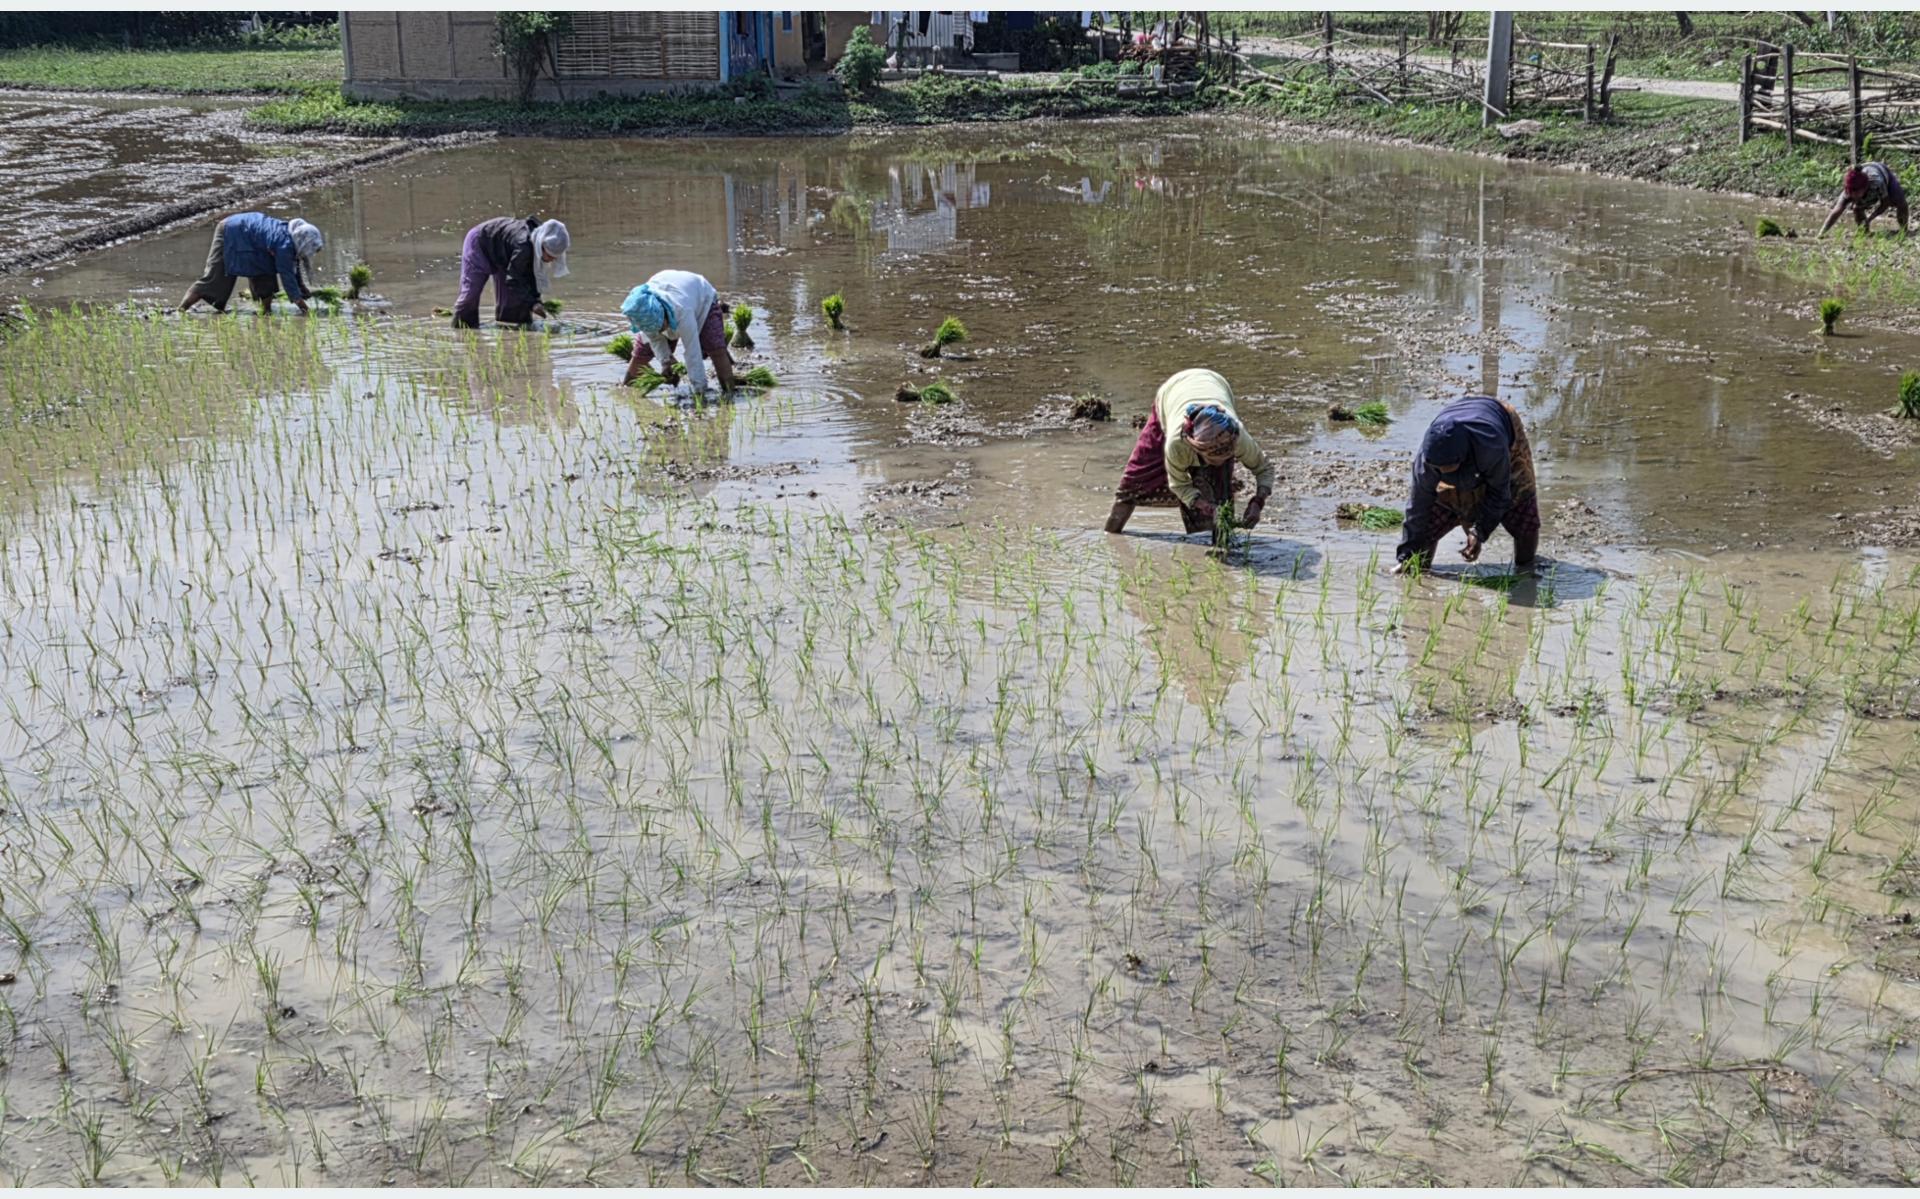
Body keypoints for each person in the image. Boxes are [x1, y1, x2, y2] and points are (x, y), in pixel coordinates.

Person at [1104, 368, 1275, 537]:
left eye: (1226, 457)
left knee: (1219, 496)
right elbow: (1178, 484)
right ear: (1196, 448)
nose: (1221, 462)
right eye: (1214, 458)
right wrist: (1201, 504)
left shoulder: (1236, 436)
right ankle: (1110, 536)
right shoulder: (1176, 444)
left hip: (1215, 383)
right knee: (1132, 485)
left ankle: (1217, 548)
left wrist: (1257, 502)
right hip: (1171, 393)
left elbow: (1264, 468)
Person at [1393, 395, 1539, 574]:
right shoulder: (1426, 461)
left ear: (1462, 456)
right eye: (1439, 469)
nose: (1443, 472)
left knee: (1521, 498)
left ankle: (1526, 569)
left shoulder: (1491, 447)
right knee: (1435, 511)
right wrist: (1406, 555)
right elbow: (1417, 506)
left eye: (1448, 466)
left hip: (1503, 424)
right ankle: (1420, 567)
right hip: (1464, 424)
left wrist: (1479, 532)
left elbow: (1499, 493)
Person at [619, 269, 738, 396]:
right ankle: (626, 388)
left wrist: (700, 392)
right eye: (654, 329)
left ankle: (729, 391)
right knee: (642, 352)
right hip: (668, 286)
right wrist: (666, 361)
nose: (660, 332)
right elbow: (655, 339)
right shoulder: (643, 313)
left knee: (715, 348)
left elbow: (693, 353)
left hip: (702, 298)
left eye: (660, 327)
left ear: (664, 314)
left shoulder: (682, 311)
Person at [178, 212, 323, 315]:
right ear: (303, 241)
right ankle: (181, 310)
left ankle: (266, 313)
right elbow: (287, 276)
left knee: (265, 274)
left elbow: (294, 266)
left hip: (252, 240)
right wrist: (305, 309)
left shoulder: (292, 237)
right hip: (231, 231)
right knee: (215, 278)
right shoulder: (284, 245)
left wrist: (302, 287)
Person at [452, 216, 570, 329]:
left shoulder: (537, 241)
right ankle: (460, 334)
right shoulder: (523, 246)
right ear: (541, 245)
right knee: (470, 296)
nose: (552, 260)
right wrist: (532, 304)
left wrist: (536, 300)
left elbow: (530, 277)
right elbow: (514, 280)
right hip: (481, 243)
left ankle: (508, 336)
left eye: (555, 257)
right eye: (549, 255)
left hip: (505, 254)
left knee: (513, 305)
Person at [1819, 163, 1909, 237]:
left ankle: (1904, 230)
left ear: (1865, 188)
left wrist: (1870, 218)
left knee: (1901, 203)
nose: (1854, 196)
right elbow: (1836, 211)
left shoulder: (1877, 182)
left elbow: (1885, 203)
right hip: (1864, 176)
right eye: (1851, 194)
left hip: (1883, 173)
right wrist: (1822, 232)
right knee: (1857, 208)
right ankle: (1865, 232)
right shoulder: (1849, 190)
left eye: (1856, 193)